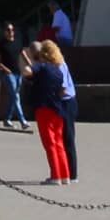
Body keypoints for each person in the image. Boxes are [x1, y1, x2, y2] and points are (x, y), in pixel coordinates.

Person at [31, 38, 80, 183]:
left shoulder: (58, 66)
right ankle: (65, 174)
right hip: (65, 102)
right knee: (61, 140)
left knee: (66, 139)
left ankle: (71, 174)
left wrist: (50, 97)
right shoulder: (57, 64)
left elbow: (63, 90)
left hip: (66, 103)